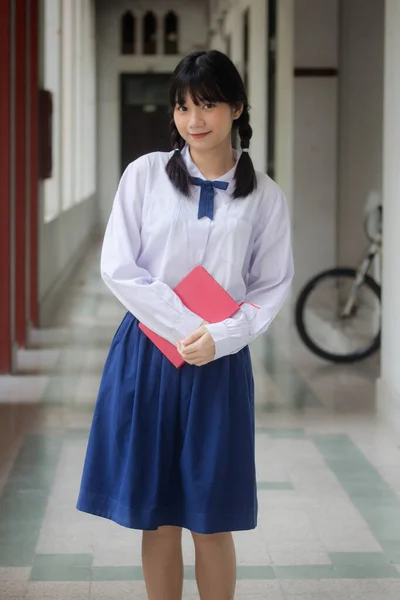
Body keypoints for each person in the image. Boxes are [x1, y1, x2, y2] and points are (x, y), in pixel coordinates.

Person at [77, 49, 294, 600]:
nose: (194, 120)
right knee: (159, 516)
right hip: (148, 355)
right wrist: (183, 325)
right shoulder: (145, 175)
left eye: (208, 104)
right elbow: (118, 266)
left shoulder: (266, 196)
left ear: (237, 108)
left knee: (212, 516)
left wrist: (219, 337)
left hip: (218, 365)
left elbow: (270, 287)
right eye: (182, 106)